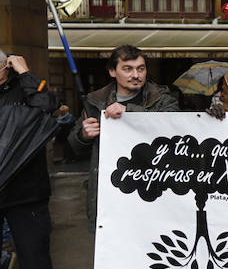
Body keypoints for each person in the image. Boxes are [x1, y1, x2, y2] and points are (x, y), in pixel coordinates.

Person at [69, 45, 180, 226]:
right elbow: (74, 149)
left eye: (140, 69)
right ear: (112, 71)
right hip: (111, 191)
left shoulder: (161, 98)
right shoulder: (95, 102)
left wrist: (129, 111)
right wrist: (83, 136)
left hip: (154, 186)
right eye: (127, 69)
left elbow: (172, 126)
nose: (136, 75)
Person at [0, 50, 59, 269]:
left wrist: (26, 75)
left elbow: (49, 105)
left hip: (26, 190)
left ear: (5, 68)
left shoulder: (25, 90)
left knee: (33, 252)